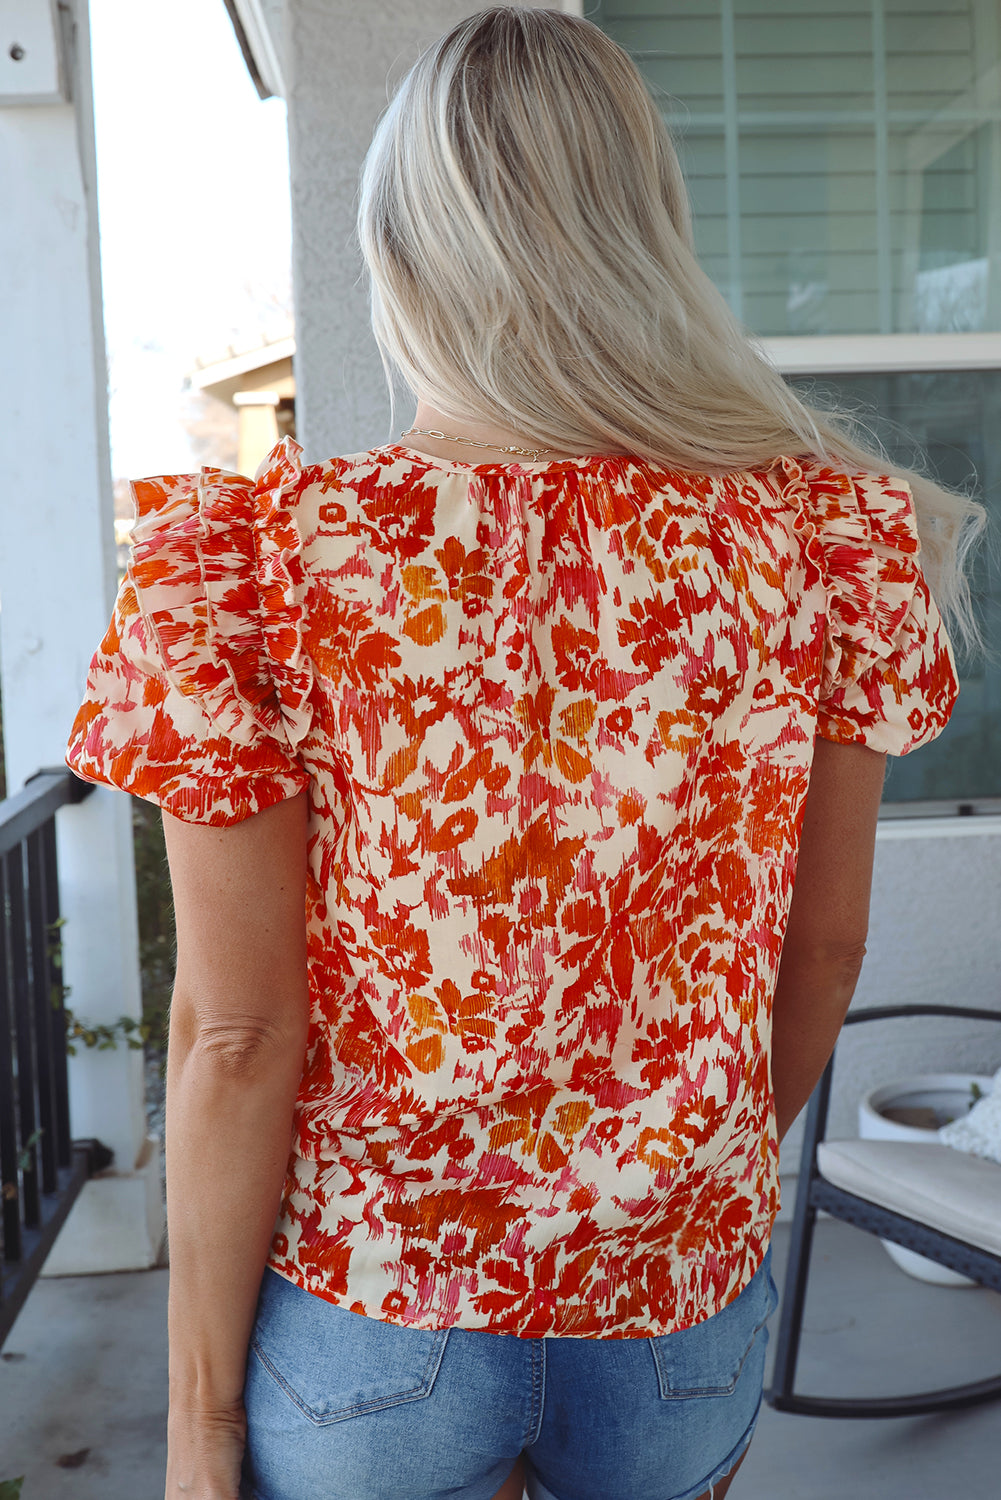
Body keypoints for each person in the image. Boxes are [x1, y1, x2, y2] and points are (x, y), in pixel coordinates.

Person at [65, 8, 984, 1500]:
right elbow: (820, 951)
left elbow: (233, 1036)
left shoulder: (264, 560)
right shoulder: (821, 541)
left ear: (402, 256)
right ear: (645, 235)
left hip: (377, 1310)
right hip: (673, 1310)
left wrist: (198, 1425)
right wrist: (676, 1196)